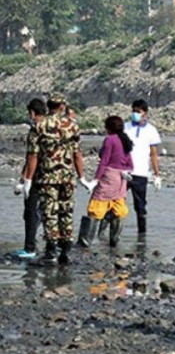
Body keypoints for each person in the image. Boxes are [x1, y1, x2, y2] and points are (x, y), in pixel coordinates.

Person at [22, 93, 94, 264]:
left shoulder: (39, 126)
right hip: (67, 178)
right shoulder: (72, 126)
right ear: (62, 107)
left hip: (48, 177)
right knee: (66, 211)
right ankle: (66, 249)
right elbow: (77, 153)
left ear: (48, 107)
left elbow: (33, 156)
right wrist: (82, 177)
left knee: (50, 213)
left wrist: (27, 180)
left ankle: (51, 250)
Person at [78, 116, 134, 248]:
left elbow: (104, 162)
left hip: (109, 177)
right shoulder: (125, 140)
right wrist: (126, 172)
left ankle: (85, 242)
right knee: (118, 208)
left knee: (96, 207)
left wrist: (95, 180)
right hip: (121, 179)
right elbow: (130, 163)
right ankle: (114, 241)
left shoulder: (110, 140)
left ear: (108, 128)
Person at [13, 98, 47, 258]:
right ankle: (54, 247)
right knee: (51, 212)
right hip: (54, 176)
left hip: (37, 176)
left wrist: (26, 180)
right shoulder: (56, 127)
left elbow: (32, 157)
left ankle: (30, 248)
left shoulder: (36, 129)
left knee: (31, 212)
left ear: (32, 113)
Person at [124, 99, 162, 233]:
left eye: (138, 112)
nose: (135, 114)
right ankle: (109, 236)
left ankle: (142, 236)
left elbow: (153, 154)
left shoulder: (151, 131)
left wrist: (157, 175)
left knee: (140, 205)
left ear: (145, 113)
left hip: (140, 173)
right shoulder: (125, 127)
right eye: (133, 111)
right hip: (124, 172)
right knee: (115, 202)